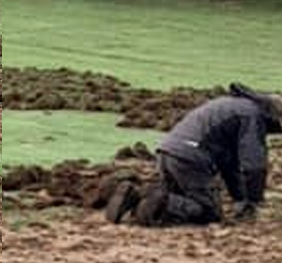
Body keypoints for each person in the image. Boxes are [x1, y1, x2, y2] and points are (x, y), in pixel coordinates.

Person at [107, 84, 282, 226]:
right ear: (273, 117)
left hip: (167, 152)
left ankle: (137, 194)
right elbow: (254, 166)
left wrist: (240, 199)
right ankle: (149, 204)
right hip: (189, 159)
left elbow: (230, 166)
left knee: (183, 198)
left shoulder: (232, 106)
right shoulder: (252, 117)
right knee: (209, 212)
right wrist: (253, 202)